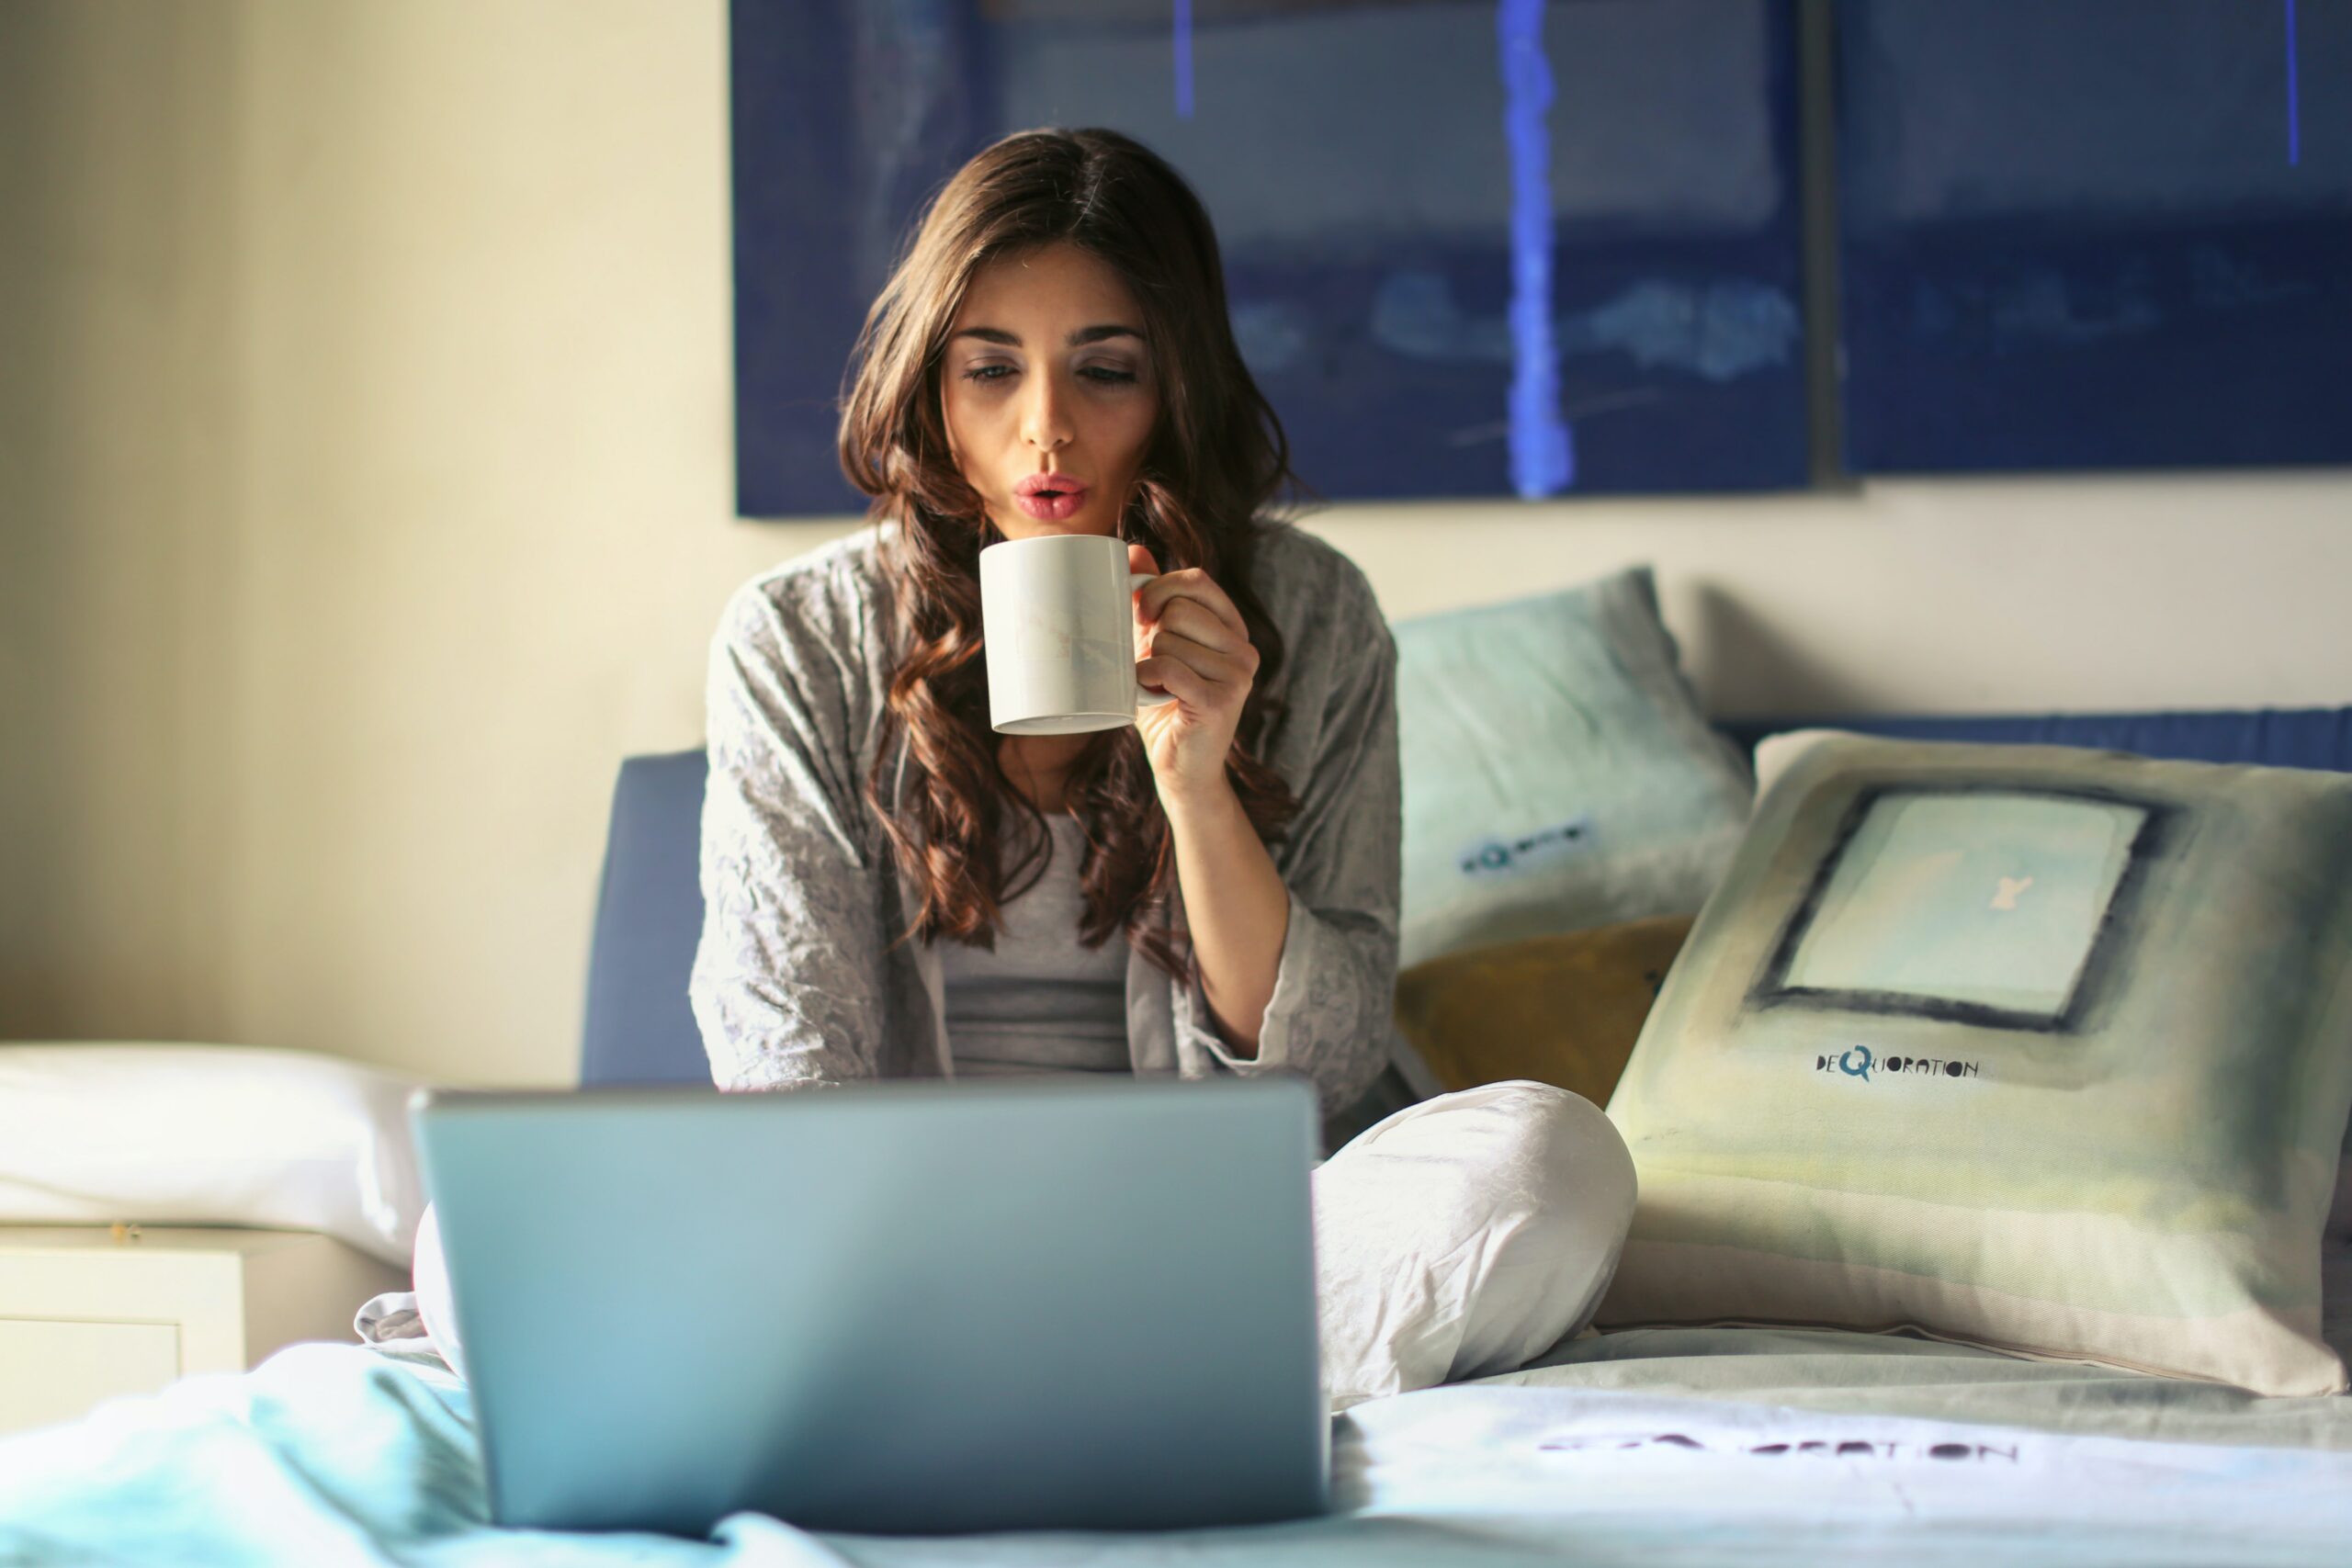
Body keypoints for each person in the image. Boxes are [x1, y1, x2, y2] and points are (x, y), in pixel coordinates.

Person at [412, 126, 1634, 1413]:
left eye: (1105, 371)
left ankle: (956, 1384)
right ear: (931, 389)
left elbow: (1320, 1066)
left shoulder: (1315, 620)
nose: (1045, 430)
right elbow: (785, 1055)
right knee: (471, 1243)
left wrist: (1199, 778)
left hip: (1215, 1246)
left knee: (1553, 1165)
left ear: (1179, 388)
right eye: (991, 370)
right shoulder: (801, 639)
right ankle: (1113, 1381)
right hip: (891, 1246)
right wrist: (883, 1248)